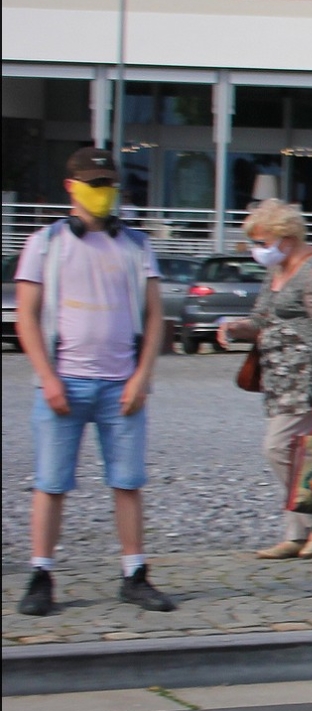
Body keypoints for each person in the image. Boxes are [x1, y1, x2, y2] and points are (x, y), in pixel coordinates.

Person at [14, 146, 176, 614]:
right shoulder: (46, 243)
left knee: (127, 482)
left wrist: (143, 377)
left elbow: (154, 315)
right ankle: (41, 573)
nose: (103, 194)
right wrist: (46, 376)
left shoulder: (136, 244)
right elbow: (26, 316)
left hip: (120, 384)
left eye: (108, 185)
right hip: (64, 380)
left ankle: (134, 573)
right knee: (51, 482)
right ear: (72, 186)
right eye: (94, 184)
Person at [217, 200, 312, 560]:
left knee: (277, 447)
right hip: (279, 375)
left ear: (285, 238)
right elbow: (261, 318)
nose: (258, 250)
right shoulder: (277, 271)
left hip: (307, 375)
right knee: (295, 451)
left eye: (262, 241)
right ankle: (296, 534)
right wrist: (236, 327)